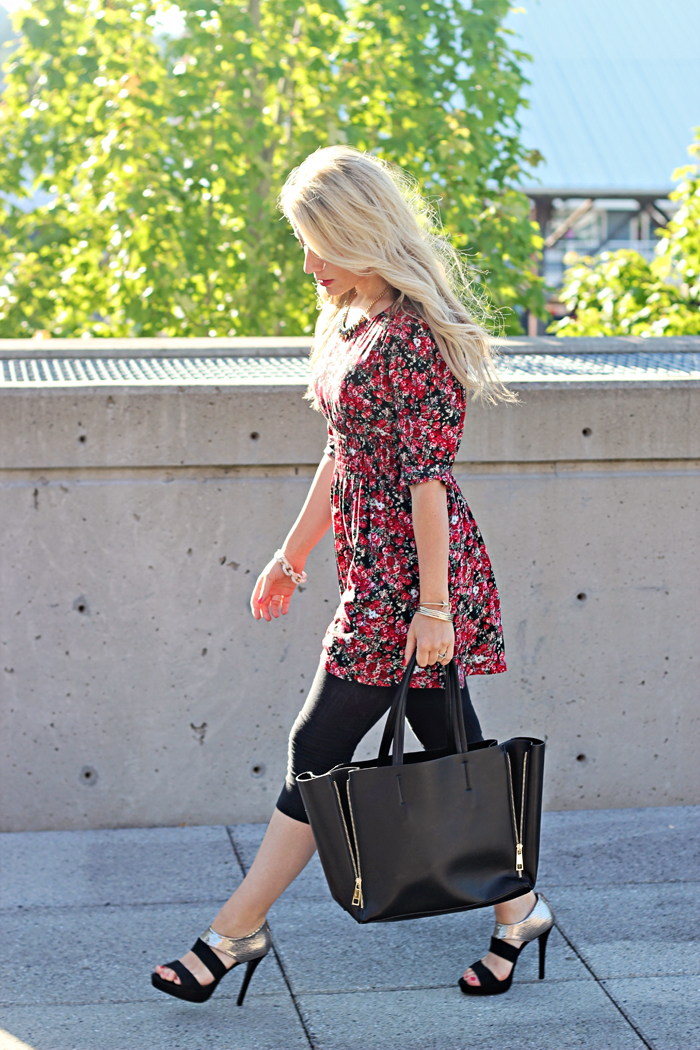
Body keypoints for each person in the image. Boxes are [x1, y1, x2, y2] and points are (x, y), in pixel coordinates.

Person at [151, 145, 554, 1005]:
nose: (308, 265)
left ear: (359, 232)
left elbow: (425, 480)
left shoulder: (410, 339)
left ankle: (233, 932)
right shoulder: (350, 324)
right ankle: (521, 912)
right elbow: (342, 452)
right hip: (373, 574)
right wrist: (292, 554)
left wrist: (435, 608)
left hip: (411, 582)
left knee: (318, 749)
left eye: (317, 244)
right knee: (452, 747)